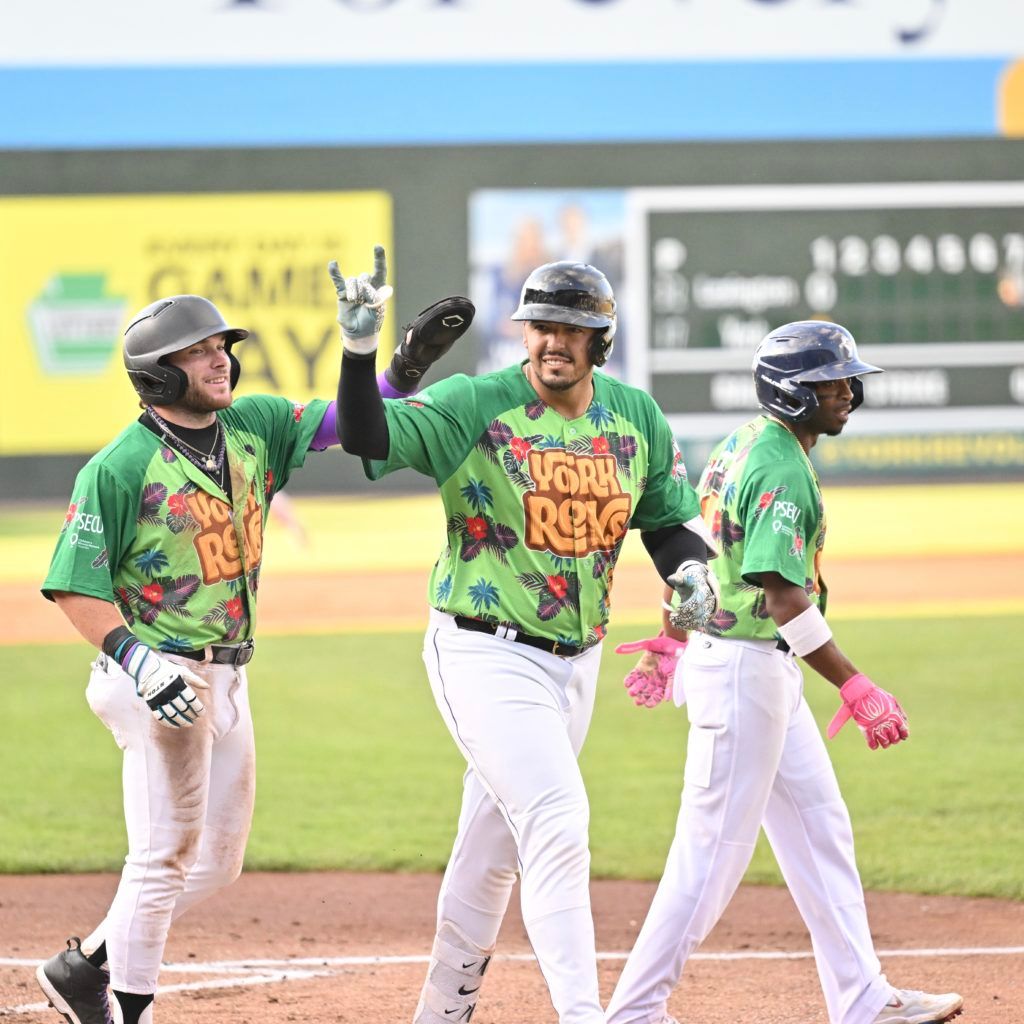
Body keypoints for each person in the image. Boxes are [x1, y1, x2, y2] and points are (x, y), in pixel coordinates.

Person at [35, 248, 473, 1024]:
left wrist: (395, 359)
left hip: (228, 673)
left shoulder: (255, 426)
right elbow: (76, 583)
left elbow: (351, 419)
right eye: (199, 352)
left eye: (220, 348)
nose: (219, 360)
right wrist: (140, 664)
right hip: (154, 672)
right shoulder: (120, 465)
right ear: (158, 373)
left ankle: (84, 966)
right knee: (164, 854)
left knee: (216, 861)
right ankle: (122, 1010)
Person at [334, 256, 721, 1024]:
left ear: (600, 341)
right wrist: (368, 353)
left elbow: (667, 521)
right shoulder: (475, 403)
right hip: (483, 649)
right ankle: (585, 1015)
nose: (553, 342)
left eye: (571, 330)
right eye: (541, 325)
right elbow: (363, 435)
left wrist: (694, 575)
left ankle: (442, 1011)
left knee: (491, 849)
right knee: (556, 818)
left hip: (576, 661)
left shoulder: (634, 416)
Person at [607, 321, 964, 1024]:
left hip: (745, 667)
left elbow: (699, 560)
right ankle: (633, 1013)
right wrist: (856, 685)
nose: (846, 392)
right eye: (828, 382)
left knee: (820, 827)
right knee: (711, 854)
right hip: (746, 674)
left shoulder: (745, 443)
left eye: (845, 379)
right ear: (790, 393)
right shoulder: (778, 465)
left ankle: (864, 999)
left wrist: (669, 639)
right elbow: (781, 595)